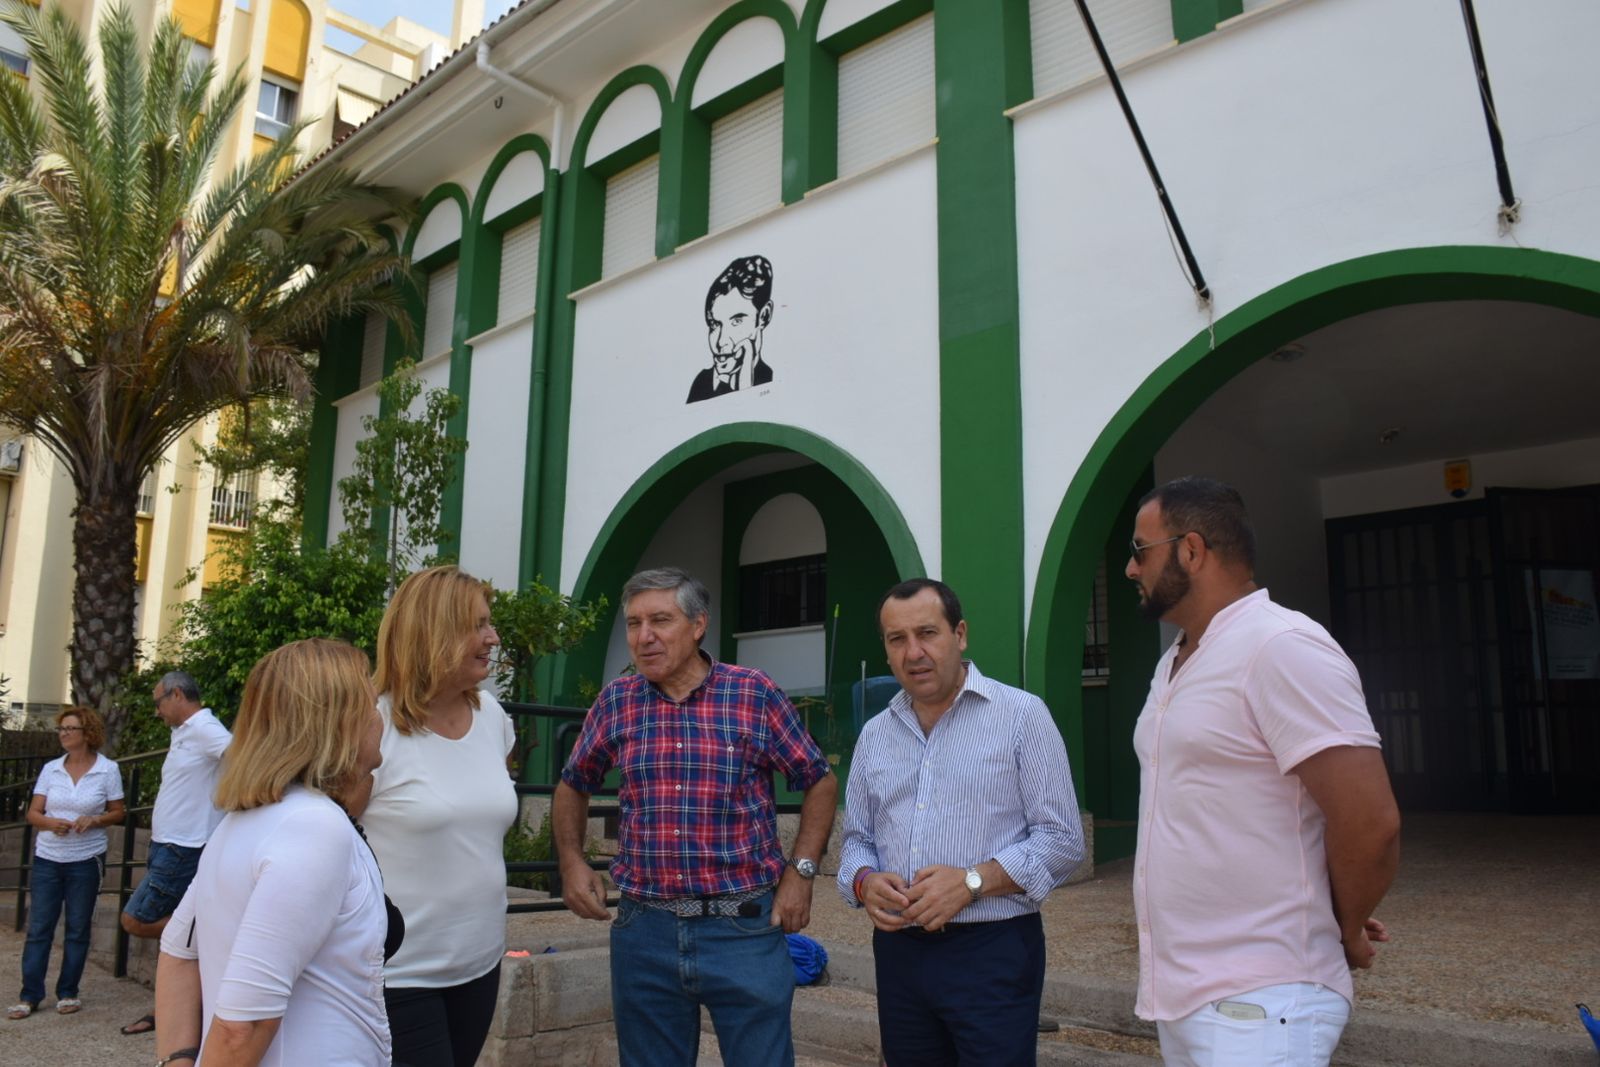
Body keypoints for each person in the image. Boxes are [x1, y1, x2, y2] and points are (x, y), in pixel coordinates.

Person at [1125, 476, 1401, 1067]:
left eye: (1140, 550)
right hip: (1187, 998)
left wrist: (1343, 926)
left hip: (1263, 1001)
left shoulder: (1282, 647)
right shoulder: (1176, 662)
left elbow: (1370, 820)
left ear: (1191, 550)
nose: (1129, 569)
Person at [554, 566, 837, 1067]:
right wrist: (572, 862)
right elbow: (574, 782)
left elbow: (819, 778)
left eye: (660, 620)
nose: (644, 638)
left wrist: (802, 872)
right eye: (634, 624)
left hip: (743, 929)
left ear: (698, 624)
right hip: (645, 932)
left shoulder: (752, 693)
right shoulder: (617, 701)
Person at [838, 578, 1085, 1067]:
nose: (914, 652)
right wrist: (865, 882)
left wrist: (972, 882)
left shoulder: (1021, 716)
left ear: (961, 634)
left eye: (928, 633)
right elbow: (855, 841)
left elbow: (1063, 840)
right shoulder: (875, 735)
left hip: (992, 952)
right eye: (897, 639)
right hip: (899, 953)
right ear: (886, 651)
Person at [153, 638, 391, 1067]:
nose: (380, 720)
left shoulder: (246, 820)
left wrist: (177, 1060)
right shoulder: (311, 827)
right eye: (372, 705)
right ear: (340, 721)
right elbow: (243, 1025)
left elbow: (177, 951)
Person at [358, 565, 519, 1067]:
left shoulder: (492, 717)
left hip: (480, 962)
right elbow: (328, 839)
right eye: (477, 625)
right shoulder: (372, 722)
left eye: (489, 623)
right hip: (399, 972)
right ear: (433, 632)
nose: (492, 638)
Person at [119, 670, 232, 1037]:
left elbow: (236, 756)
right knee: (172, 940)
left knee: (135, 920)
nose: (156, 711)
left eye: (158, 702)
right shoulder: (183, 733)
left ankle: (215, 931)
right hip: (168, 845)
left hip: (184, 848)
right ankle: (170, 1010)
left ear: (178, 694)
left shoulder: (204, 728)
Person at [9, 706, 126, 1020]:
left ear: (87, 733)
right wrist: (50, 824)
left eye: (69, 729)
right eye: (61, 729)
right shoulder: (51, 769)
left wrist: (97, 819)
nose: (63, 734)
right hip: (48, 858)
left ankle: (68, 992)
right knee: (39, 929)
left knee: (77, 929)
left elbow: (119, 811)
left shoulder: (107, 769)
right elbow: (33, 813)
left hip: (86, 860)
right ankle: (29, 995)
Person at [687, 255, 775, 403]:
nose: (721, 342)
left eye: (736, 321)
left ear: (764, 316)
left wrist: (746, 388)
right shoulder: (701, 384)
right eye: (714, 324)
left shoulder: (770, 378)